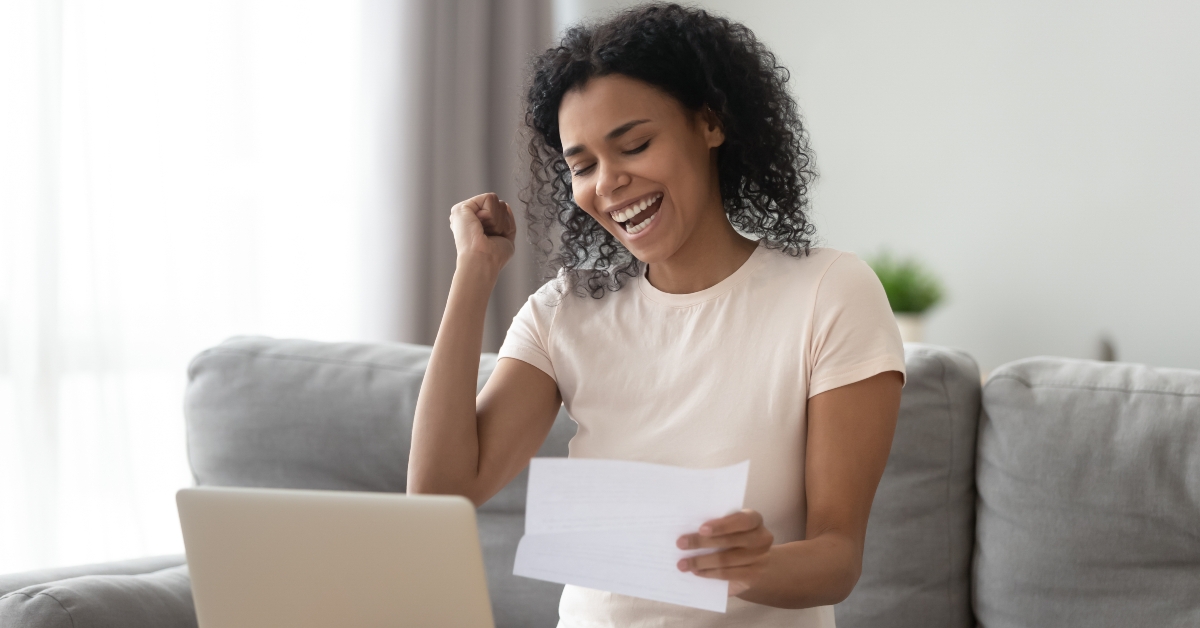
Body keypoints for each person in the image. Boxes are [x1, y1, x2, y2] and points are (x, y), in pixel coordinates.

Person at [408, 4, 905, 627]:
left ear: (710, 123)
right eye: (582, 165)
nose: (609, 183)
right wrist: (474, 273)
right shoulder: (567, 312)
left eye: (635, 145)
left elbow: (838, 557)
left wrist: (749, 567)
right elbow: (438, 494)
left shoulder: (829, 293)